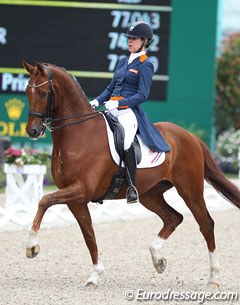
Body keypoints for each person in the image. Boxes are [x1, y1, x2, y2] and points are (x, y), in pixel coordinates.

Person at [90, 21, 170, 204]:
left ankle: (132, 187)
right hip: (110, 108)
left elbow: (142, 95)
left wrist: (119, 105)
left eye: (134, 38)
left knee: (126, 141)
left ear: (145, 41)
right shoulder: (122, 62)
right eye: (129, 38)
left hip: (128, 113)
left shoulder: (146, 65)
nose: (130, 41)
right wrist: (97, 101)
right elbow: (111, 88)